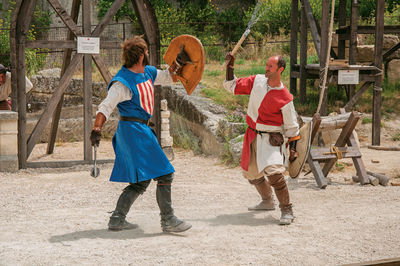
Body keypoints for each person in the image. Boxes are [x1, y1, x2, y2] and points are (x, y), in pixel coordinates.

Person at [90, 36, 192, 232]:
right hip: (133, 132)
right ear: (140, 55)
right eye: (145, 51)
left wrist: (179, 62)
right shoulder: (122, 82)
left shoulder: (148, 72)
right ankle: (168, 219)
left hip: (141, 131)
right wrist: (97, 128)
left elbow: (168, 77)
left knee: (141, 180)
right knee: (165, 173)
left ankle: (117, 219)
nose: (148, 54)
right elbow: (106, 106)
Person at [223, 53, 300, 225]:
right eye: (266, 64)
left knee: (275, 175)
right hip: (252, 136)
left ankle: (287, 210)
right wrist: (230, 67)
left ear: (280, 70)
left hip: (271, 140)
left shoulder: (285, 98)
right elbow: (232, 86)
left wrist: (293, 149)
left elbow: (292, 127)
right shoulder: (257, 81)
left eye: (270, 66)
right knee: (251, 174)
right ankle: (267, 201)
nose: (266, 68)